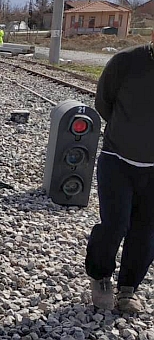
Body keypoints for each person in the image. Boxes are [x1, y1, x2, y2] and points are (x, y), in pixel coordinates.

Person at [85, 29, 154, 313]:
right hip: (118, 160)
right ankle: (100, 276)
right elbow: (104, 103)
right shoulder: (126, 62)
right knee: (115, 224)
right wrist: (128, 132)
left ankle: (128, 290)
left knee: (146, 230)